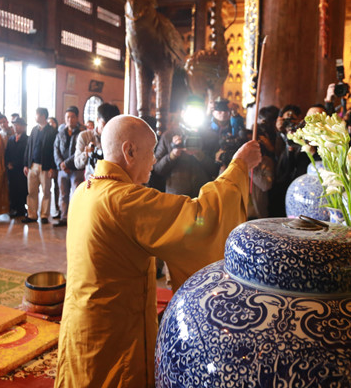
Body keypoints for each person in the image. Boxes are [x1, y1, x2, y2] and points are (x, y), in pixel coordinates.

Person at [54, 115, 261, 388]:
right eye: (151, 151)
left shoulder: (85, 189)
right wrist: (239, 166)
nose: (154, 159)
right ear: (129, 151)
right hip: (115, 329)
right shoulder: (123, 200)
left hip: (82, 321)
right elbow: (199, 219)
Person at [153, 96, 219, 197]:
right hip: (176, 197)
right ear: (183, 113)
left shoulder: (209, 137)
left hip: (202, 196)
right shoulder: (169, 135)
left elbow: (215, 170)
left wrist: (199, 155)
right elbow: (157, 169)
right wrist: (173, 155)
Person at [23, 108, 57, 224]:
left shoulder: (52, 131)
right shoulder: (34, 130)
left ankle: (44, 215)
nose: (35, 117)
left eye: (37, 115)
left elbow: (54, 151)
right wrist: (26, 164)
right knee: (31, 191)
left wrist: (53, 167)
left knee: (46, 191)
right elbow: (28, 147)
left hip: (46, 166)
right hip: (33, 165)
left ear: (43, 116)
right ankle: (32, 215)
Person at [53, 106, 85, 227]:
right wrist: (61, 164)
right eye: (67, 117)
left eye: (72, 117)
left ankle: (75, 218)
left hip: (76, 169)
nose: (70, 120)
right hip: (62, 170)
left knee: (76, 194)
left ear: (77, 118)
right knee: (63, 194)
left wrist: (66, 163)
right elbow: (55, 149)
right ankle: (64, 217)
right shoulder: (60, 132)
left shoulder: (82, 133)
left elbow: (79, 152)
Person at [74, 103, 120, 174]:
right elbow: (77, 163)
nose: (107, 127)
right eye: (104, 124)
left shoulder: (119, 138)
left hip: (113, 179)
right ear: (97, 119)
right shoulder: (85, 136)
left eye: (111, 124)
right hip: (92, 181)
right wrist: (86, 154)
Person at [5, 117, 29, 218]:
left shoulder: (27, 139)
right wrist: (8, 163)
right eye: (14, 125)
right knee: (13, 189)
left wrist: (24, 165)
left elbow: (27, 154)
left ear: (23, 127)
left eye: (18, 125)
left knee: (22, 189)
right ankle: (14, 208)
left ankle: (21, 208)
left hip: (21, 169)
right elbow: (7, 153)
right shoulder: (11, 139)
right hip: (12, 169)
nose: (15, 127)